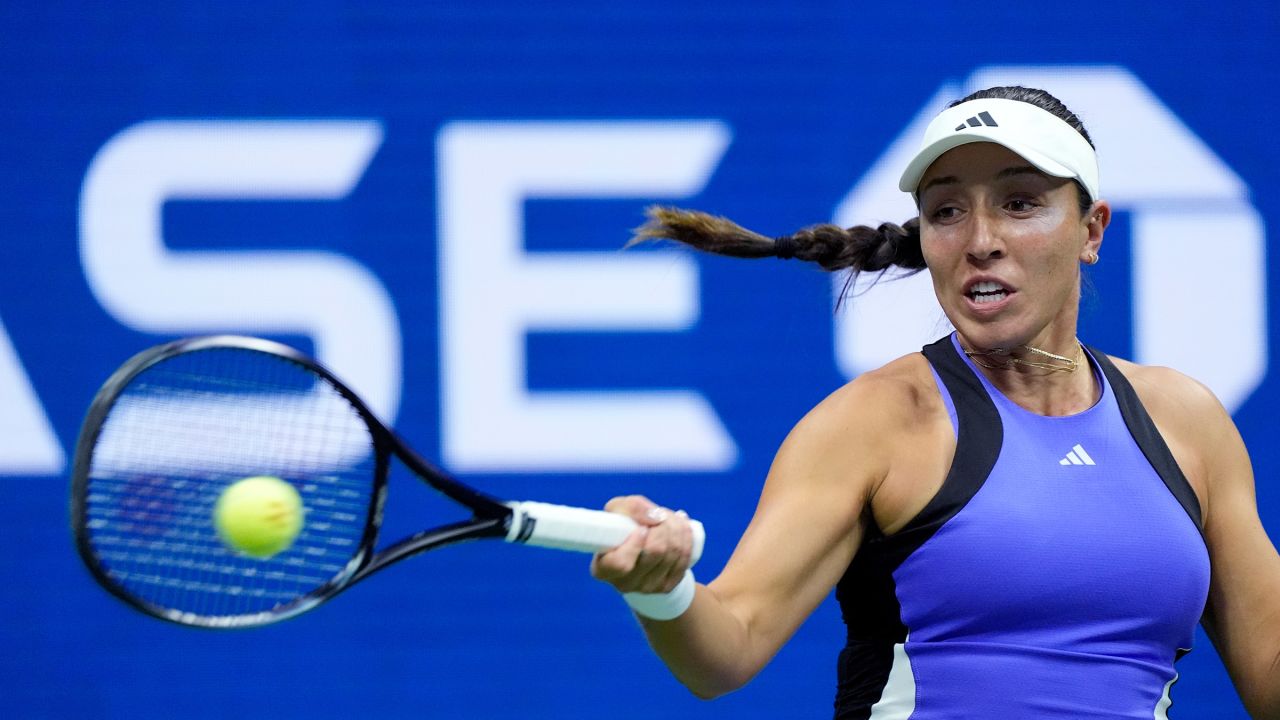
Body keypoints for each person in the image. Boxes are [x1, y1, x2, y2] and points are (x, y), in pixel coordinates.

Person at [590, 86, 1280, 718]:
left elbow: (1269, 677)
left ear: (1091, 230)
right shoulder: (873, 424)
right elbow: (728, 646)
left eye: (1020, 203)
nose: (981, 242)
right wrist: (663, 588)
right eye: (947, 211)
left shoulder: (1185, 421)